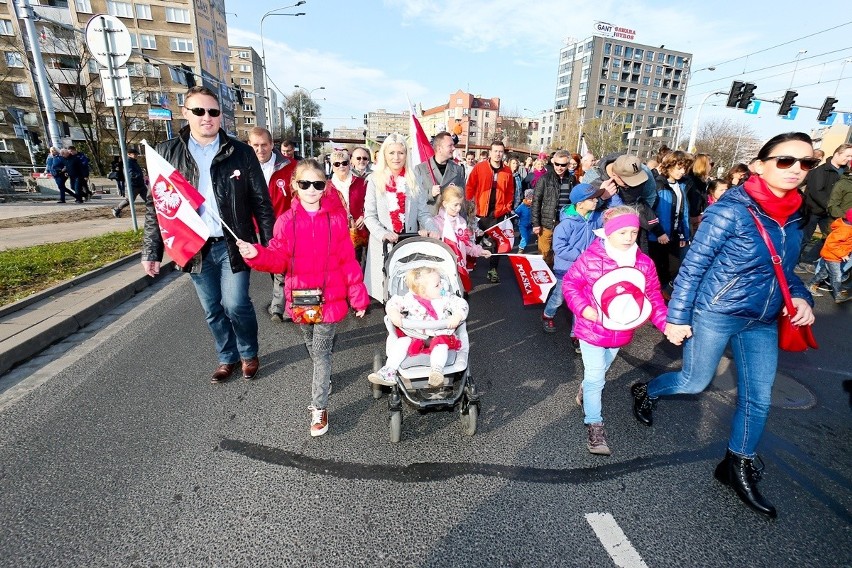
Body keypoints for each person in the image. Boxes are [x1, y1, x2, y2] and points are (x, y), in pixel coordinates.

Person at [631, 132, 818, 518]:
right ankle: (645, 390)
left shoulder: (798, 214)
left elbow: (787, 269)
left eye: (807, 163)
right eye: (786, 161)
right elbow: (694, 266)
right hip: (717, 310)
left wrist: (802, 296)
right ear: (760, 166)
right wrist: (677, 317)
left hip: (764, 318)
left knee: (759, 397)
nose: (797, 169)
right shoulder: (731, 209)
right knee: (694, 381)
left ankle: (736, 465)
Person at [141, 86, 276, 384]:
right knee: (212, 308)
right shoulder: (167, 153)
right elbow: (158, 206)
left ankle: (248, 352)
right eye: (199, 111)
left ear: (220, 116)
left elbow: (261, 203)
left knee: (235, 303)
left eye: (213, 112)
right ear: (185, 113)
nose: (207, 118)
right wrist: (151, 252)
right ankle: (226, 358)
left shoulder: (240, 152)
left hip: (234, 244)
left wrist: (271, 248)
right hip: (194, 246)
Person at [236, 159, 367, 436]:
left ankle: (319, 409)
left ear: (325, 187)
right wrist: (256, 254)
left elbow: (348, 260)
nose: (311, 189)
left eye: (317, 184)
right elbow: (278, 259)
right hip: (300, 299)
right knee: (310, 344)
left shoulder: (336, 220)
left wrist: (358, 296)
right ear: (295, 185)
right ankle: (324, 380)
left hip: (330, 299)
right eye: (305, 183)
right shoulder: (285, 222)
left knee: (320, 355)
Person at [564, 206, 667, 455]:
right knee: (597, 376)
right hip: (592, 328)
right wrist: (585, 310)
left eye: (633, 231)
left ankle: (586, 387)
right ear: (608, 233)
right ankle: (594, 425)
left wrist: (666, 324)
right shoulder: (591, 258)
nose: (630, 237)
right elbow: (570, 283)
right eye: (622, 232)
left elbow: (652, 294)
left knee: (601, 371)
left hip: (622, 330)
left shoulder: (643, 263)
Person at [368, 266, 469, 388]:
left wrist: (457, 315)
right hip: (415, 335)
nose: (442, 286)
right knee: (401, 342)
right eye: (437, 285)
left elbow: (460, 303)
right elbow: (393, 303)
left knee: (440, 346)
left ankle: (436, 371)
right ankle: (389, 370)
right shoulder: (410, 299)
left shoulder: (445, 297)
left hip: (440, 334)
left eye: (440, 282)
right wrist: (394, 313)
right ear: (422, 290)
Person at [363, 133, 436, 301]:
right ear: (384, 155)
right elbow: (369, 216)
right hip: (383, 245)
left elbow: (423, 212)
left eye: (400, 153)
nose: (396, 157)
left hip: (407, 243)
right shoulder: (374, 179)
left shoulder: (414, 178)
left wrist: (432, 229)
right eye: (391, 153)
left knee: (406, 295)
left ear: (406, 155)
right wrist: (383, 234)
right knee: (386, 295)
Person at [542, 183, 605, 344]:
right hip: (566, 269)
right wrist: (581, 255)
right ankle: (548, 314)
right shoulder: (566, 224)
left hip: (587, 269)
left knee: (583, 301)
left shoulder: (596, 218)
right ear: (580, 203)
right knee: (559, 297)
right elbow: (559, 247)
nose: (596, 201)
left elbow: (602, 235)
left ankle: (576, 333)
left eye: (596, 198)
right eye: (592, 199)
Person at [248, 127, 296, 322]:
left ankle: (284, 304)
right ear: (249, 146)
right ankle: (281, 301)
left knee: (283, 265)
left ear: (272, 145)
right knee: (270, 265)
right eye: (256, 145)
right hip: (256, 227)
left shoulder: (290, 167)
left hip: (283, 226)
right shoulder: (243, 167)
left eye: (264, 145)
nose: (260, 150)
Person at [588, 153, 663, 253]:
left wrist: (637, 216)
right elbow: (583, 210)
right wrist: (602, 196)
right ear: (615, 176)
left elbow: (650, 196)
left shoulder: (642, 170)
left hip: (633, 232)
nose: (633, 184)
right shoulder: (593, 176)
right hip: (604, 232)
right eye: (628, 182)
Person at [797, 143, 852, 271]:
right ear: (837, 153)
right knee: (804, 237)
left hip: (829, 212)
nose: (849, 159)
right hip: (813, 210)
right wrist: (831, 207)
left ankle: (808, 259)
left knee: (829, 237)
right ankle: (795, 261)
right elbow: (817, 192)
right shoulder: (820, 170)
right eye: (847, 155)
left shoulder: (845, 172)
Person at [465, 140, 514, 283]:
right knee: (474, 239)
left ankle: (493, 269)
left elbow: (510, 191)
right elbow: (470, 187)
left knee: (496, 242)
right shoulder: (480, 168)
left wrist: (507, 207)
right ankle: (469, 263)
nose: (498, 154)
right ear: (490, 152)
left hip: (498, 213)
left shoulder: (507, 171)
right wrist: (469, 206)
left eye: (500, 151)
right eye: (495, 151)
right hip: (480, 212)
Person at [432, 184, 491, 290]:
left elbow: (467, 244)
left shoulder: (462, 222)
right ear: (445, 204)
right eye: (455, 205)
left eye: (460, 205)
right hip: (442, 271)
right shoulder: (436, 223)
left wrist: (480, 251)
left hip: (459, 268)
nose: (458, 208)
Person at [649, 150, 692, 292]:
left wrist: (684, 234)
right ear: (669, 166)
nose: (682, 172)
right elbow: (649, 212)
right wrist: (658, 232)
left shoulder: (682, 186)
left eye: (685, 168)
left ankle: (664, 299)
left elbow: (682, 212)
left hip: (673, 236)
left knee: (674, 270)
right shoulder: (657, 184)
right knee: (657, 273)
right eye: (679, 168)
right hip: (657, 237)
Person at [532, 149, 577, 266]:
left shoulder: (572, 180)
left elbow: (574, 202)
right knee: (544, 254)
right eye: (557, 164)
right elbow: (536, 201)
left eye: (563, 165)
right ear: (553, 162)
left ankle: (556, 279)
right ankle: (544, 280)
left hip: (564, 223)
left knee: (560, 253)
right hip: (546, 223)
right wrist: (536, 224)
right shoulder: (544, 179)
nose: (559, 167)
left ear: (568, 164)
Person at [327, 149, 368, 264]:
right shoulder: (327, 187)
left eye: (344, 163)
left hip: (359, 233)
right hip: (337, 236)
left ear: (349, 164)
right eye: (337, 164)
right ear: (332, 167)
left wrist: (364, 216)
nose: (341, 166)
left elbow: (371, 205)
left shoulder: (362, 183)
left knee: (359, 267)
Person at [806, 208, 852, 303]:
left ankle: (810, 284)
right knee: (836, 275)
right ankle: (838, 295)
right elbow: (831, 244)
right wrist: (843, 254)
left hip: (833, 255)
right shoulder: (844, 230)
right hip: (833, 256)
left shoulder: (847, 228)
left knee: (824, 273)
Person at [414, 131, 465, 207]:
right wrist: (430, 193)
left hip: (450, 218)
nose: (454, 148)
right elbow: (415, 196)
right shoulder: (421, 169)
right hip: (429, 217)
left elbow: (462, 198)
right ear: (439, 148)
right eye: (450, 145)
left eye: (453, 145)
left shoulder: (458, 170)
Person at [111, 149, 147, 218]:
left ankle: (152, 212)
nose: (136, 155)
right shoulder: (128, 162)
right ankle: (117, 209)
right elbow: (130, 173)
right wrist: (139, 175)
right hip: (133, 185)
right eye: (134, 154)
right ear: (129, 154)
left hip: (140, 184)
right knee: (130, 200)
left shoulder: (134, 162)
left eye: (137, 154)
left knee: (148, 198)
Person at [684, 153, 711, 235]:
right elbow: (691, 203)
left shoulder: (701, 183)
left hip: (696, 220)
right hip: (690, 222)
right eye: (710, 164)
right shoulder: (691, 182)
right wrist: (695, 218)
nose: (711, 167)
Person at [515, 188, 534, 253]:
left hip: (530, 225)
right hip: (522, 225)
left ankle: (522, 243)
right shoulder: (522, 206)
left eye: (532, 199)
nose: (531, 201)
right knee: (525, 238)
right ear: (526, 198)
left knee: (527, 238)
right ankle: (520, 250)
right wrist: (515, 215)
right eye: (529, 199)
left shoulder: (533, 206)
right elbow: (516, 212)